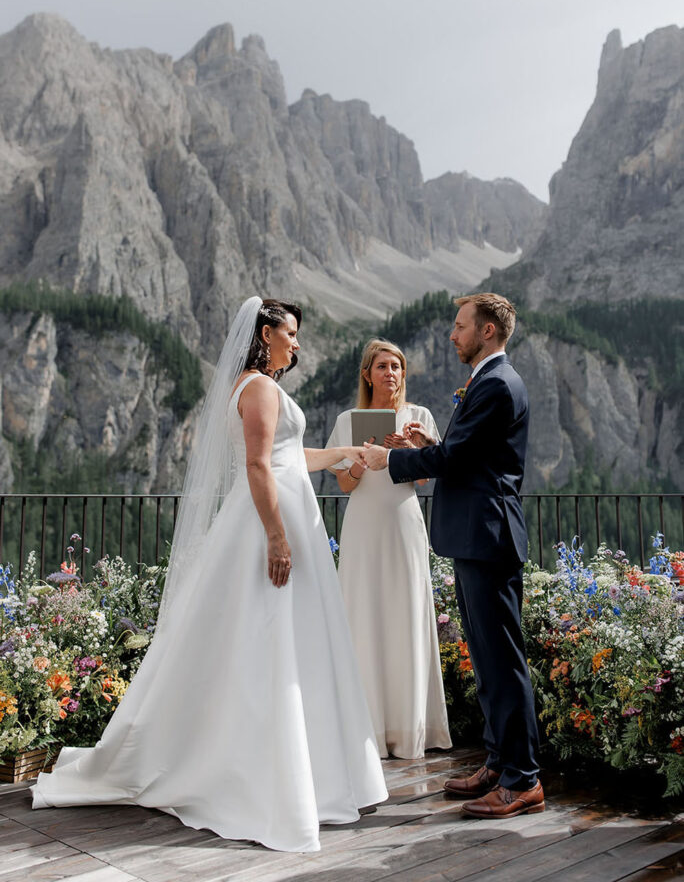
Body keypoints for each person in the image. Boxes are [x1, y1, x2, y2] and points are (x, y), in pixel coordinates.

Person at [32, 297, 387, 853]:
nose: (297, 343)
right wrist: (276, 534)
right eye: (290, 333)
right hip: (271, 524)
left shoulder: (255, 386)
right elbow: (257, 466)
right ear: (265, 332)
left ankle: (302, 767)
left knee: (286, 643)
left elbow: (291, 459)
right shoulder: (261, 390)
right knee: (270, 642)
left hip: (285, 516)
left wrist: (342, 453)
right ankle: (262, 773)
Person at [363, 293, 544, 819]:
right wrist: (424, 439)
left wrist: (391, 456)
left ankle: (522, 779)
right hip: (476, 538)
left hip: (488, 539)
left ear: (487, 331)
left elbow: (454, 457)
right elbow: (465, 452)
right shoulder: (487, 382)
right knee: (487, 660)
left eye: (460, 326)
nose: (451, 335)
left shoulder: (497, 384)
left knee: (503, 662)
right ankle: (498, 761)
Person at [326, 339, 452, 759]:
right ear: (368, 374)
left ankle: (410, 726)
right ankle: (367, 729)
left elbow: (424, 482)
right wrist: (360, 463)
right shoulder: (348, 420)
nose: (391, 373)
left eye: (397, 366)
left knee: (406, 612)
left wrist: (412, 452)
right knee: (362, 613)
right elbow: (343, 484)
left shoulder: (419, 417)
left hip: (403, 523)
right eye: (382, 366)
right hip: (363, 525)